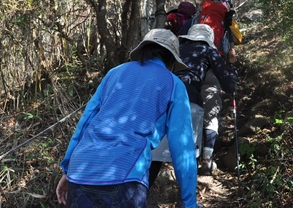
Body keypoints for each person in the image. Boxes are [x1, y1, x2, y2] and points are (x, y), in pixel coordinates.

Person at [56, 29, 201, 208]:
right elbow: (182, 145)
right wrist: (189, 202)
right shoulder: (174, 84)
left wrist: (68, 168)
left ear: (143, 51)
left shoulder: (113, 73)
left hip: (81, 171)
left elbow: (86, 120)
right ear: (171, 59)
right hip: (125, 174)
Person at [175, 24, 238, 175]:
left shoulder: (177, 49)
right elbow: (229, 84)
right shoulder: (208, 50)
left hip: (170, 90)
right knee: (209, 115)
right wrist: (232, 66)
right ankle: (206, 158)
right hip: (192, 91)